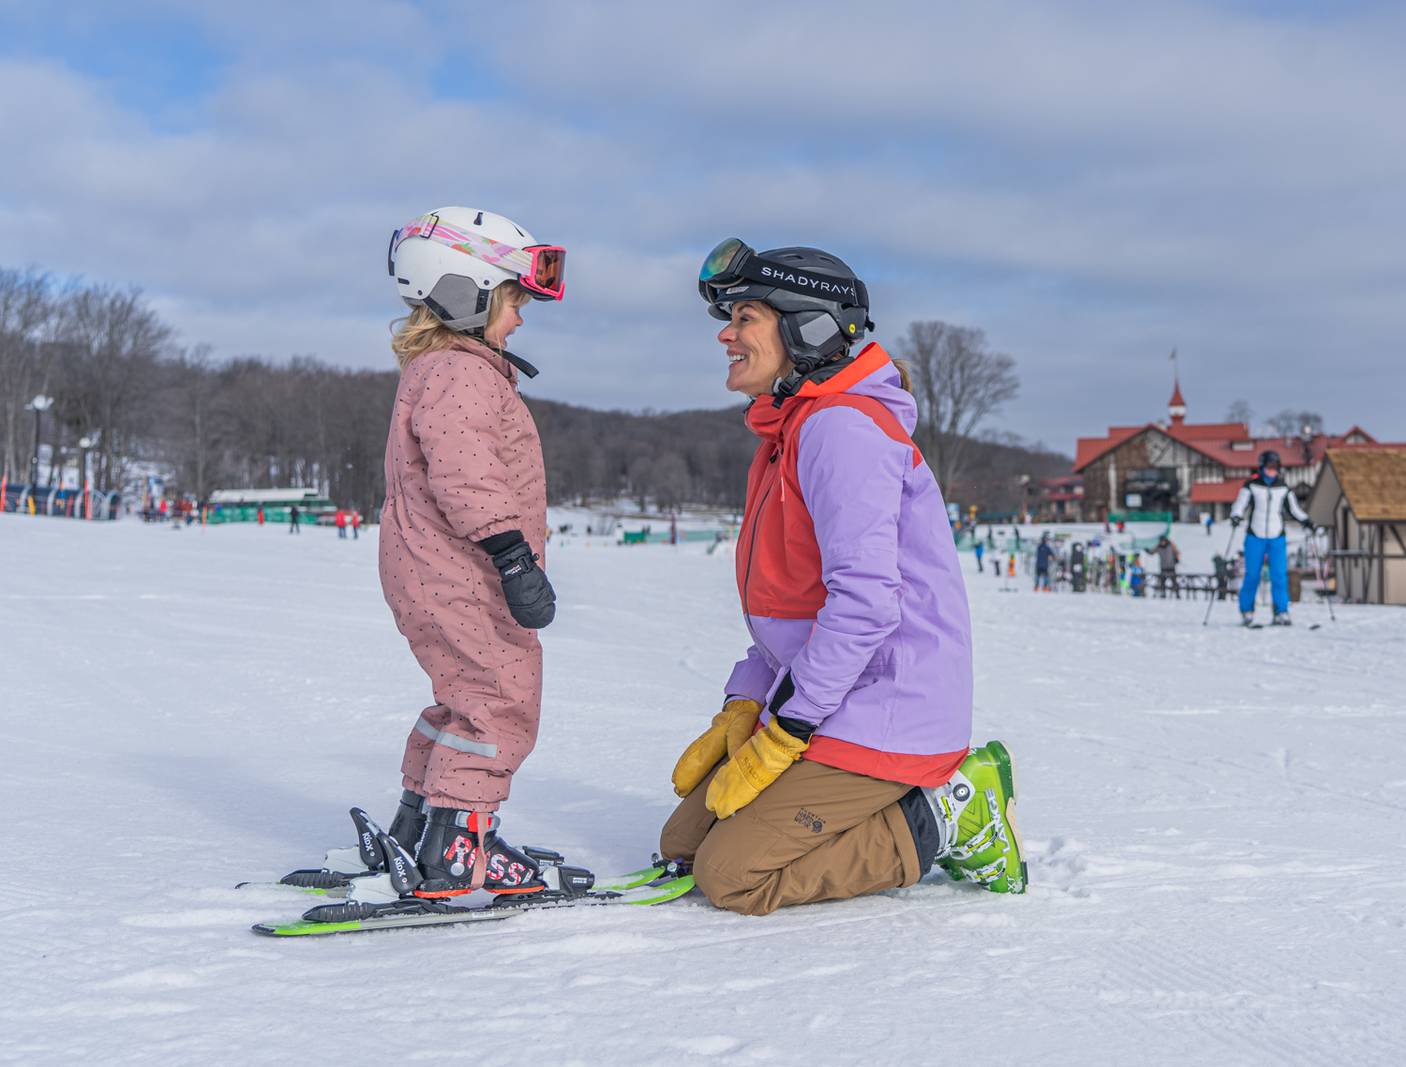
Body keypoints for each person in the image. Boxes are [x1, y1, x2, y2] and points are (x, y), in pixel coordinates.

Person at [659, 238, 1025, 916]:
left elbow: (863, 606)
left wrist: (787, 729)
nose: (726, 334)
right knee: (683, 841)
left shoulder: (840, 430)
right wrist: (745, 702)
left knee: (728, 874)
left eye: (745, 317)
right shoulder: (792, 432)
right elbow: (790, 609)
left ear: (806, 325)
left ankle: (946, 814)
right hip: (832, 695)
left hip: (887, 710)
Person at [285, 207, 573, 919]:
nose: (521, 321)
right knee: (501, 704)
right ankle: (457, 848)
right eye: (514, 302)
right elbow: (467, 475)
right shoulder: (463, 376)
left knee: (463, 701)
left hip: (432, 569)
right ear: (465, 293)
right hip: (464, 573)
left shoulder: (440, 371)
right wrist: (512, 557)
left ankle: (423, 825)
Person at [1230, 449, 1310, 626]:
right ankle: (1247, 611)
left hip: (1276, 537)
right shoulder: (1251, 486)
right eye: (1269, 466)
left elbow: (1294, 509)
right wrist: (1236, 515)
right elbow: (1240, 504)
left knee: (1279, 576)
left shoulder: (1283, 488)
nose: (1272, 470)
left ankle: (1281, 612)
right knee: (1252, 575)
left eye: (1275, 467)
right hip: (1255, 536)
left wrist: (1306, 520)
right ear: (1262, 467)